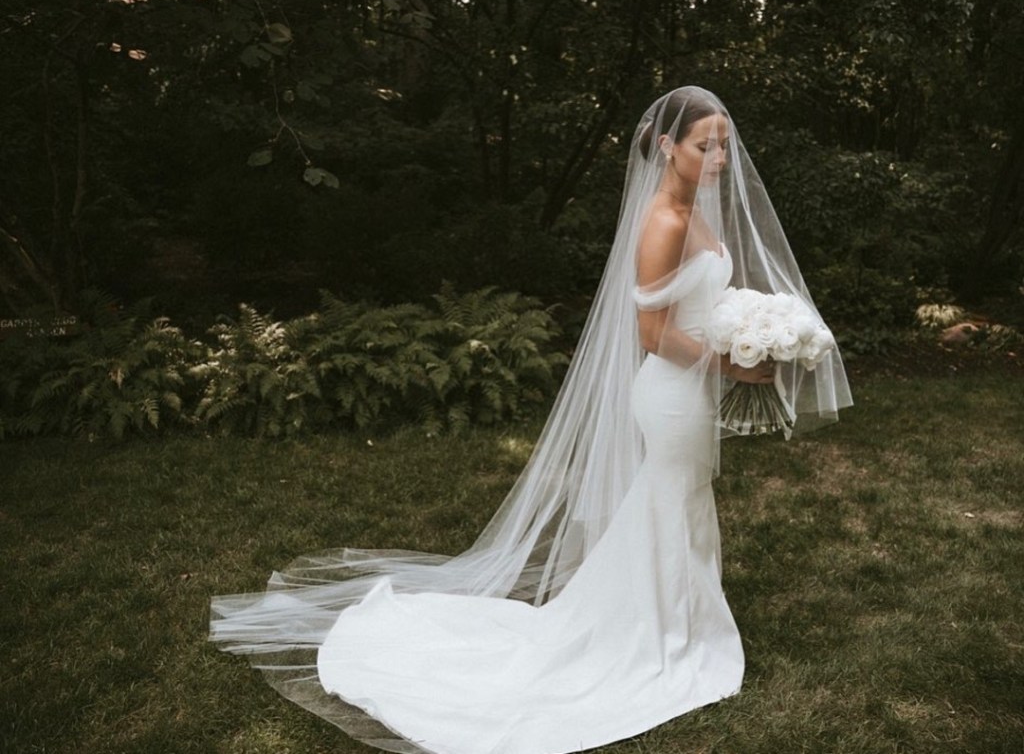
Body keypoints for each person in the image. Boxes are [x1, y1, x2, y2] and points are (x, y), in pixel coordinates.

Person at [210, 86, 852, 754]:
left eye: (723, 142)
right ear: (668, 146)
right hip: (670, 391)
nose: (719, 154)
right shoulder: (662, 221)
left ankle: (670, 618)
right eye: (704, 143)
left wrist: (752, 327)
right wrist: (731, 362)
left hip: (689, 388)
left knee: (675, 502)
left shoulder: (698, 211)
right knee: (672, 500)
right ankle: (657, 633)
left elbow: (703, 300)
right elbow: (654, 332)